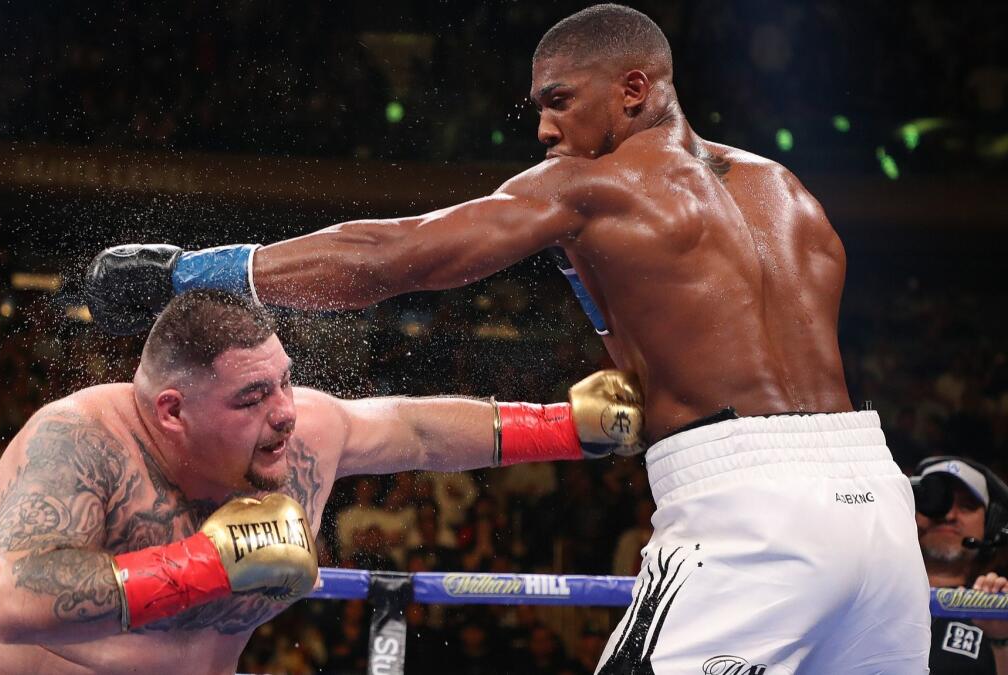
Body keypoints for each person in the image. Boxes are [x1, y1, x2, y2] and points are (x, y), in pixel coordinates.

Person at [85, 4, 930, 671]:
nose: (545, 131)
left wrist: (192, 273)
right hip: (879, 505)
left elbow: (398, 255)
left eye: (560, 101)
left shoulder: (594, 185)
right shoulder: (785, 191)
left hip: (753, 510)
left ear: (634, 89)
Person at [0, 289, 639, 675]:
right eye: (253, 396)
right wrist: (205, 562)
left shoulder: (304, 438)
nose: (287, 412)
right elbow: (16, 601)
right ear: (173, 411)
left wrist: (567, 426)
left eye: (285, 380)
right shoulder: (79, 441)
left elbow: (416, 428)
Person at [913, 456, 1008, 673]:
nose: (949, 515)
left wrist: (1002, 642)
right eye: (935, 502)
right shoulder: (867, 595)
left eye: (966, 506)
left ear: (990, 525)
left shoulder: (1000, 614)